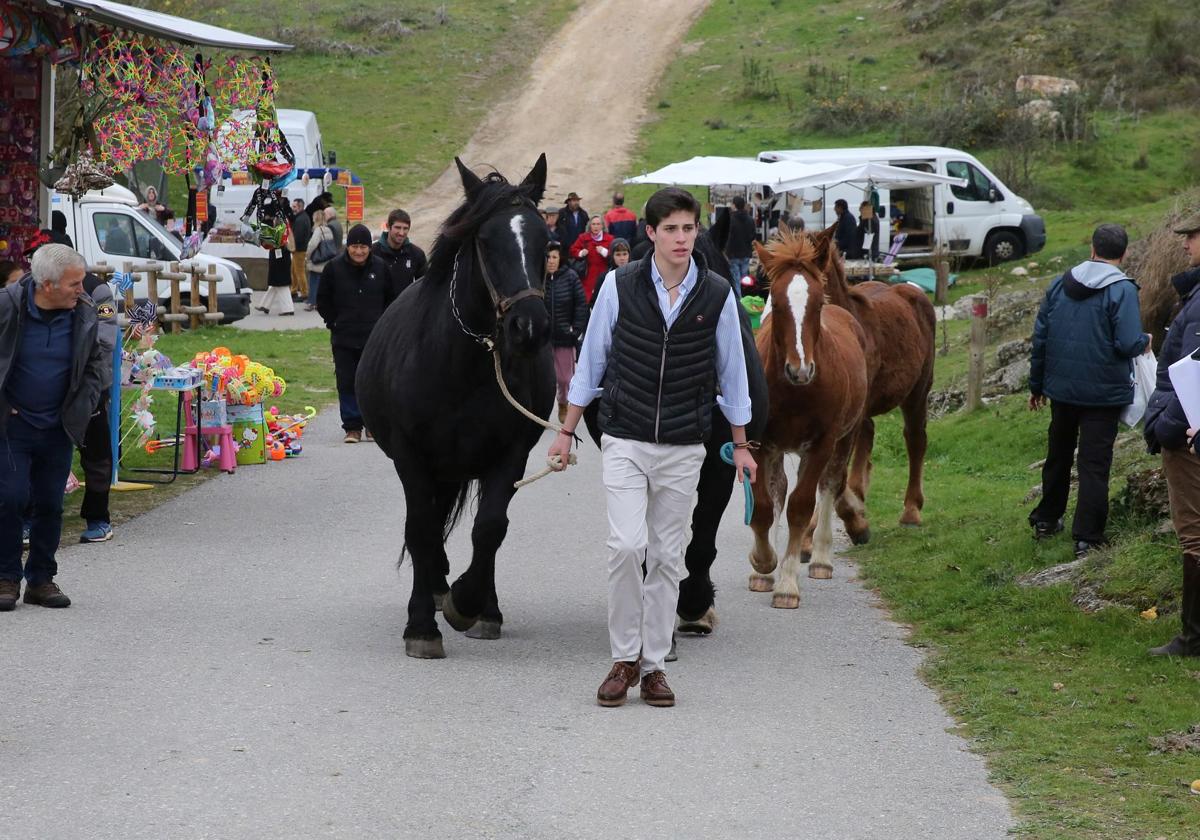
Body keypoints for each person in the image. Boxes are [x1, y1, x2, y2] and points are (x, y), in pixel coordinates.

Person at [548, 187, 756, 708]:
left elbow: (734, 374)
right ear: (651, 233)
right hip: (625, 435)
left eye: (689, 229)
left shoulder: (716, 292)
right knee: (625, 547)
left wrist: (742, 444)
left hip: (686, 443)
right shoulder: (619, 286)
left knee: (666, 557)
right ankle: (623, 658)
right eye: (671, 229)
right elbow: (591, 362)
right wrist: (566, 431)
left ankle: (655, 665)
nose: (681, 238)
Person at [1029, 224, 1149, 558]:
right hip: (1103, 395)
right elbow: (1127, 343)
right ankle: (1087, 538)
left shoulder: (1059, 283)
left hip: (1061, 390)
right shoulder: (1122, 289)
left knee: (1058, 456)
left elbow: (1041, 337)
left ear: (1092, 249)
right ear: (1123, 253)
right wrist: (1145, 341)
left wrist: (1036, 385)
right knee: (1094, 465)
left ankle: (1046, 520)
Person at [0, 244, 107, 611]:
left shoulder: (84, 313)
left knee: (49, 503)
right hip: (12, 425)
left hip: (58, 426)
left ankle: (41, 580)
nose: (82, 289)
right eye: (74, 284)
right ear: (46, 285)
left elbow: (97, 363)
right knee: (10, 499)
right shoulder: (6, 307)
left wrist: (81, 406)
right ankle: (6, 578)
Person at [1143, 212, 1200, 657]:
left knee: (1194, 530)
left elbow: (1194, 371)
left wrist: (1168, 425)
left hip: (1188, 432)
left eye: (1193, 237)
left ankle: (1193, 637)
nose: (1185, 245)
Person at [316, 224, 392, 444]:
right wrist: (334, 322)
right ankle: (352, 427)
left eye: (363, 247)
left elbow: (390, 299)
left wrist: (383, 327)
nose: (359, 252)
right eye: (355, 247)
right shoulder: (333, 268)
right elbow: (323, 300)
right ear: (348, 247)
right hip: (344, 336)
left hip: (373, 338)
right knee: (347, 381)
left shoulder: (380, 268)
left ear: (370, 248)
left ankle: (373, 426)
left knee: (374, 382)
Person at [78, 269, 118, 542]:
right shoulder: (32, 288)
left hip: (91, 385)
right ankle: (28, 519)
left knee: (96, 453)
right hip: (47, 386)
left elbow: (106, 339)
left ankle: (97, 517)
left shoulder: (97, 289)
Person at [543, 242, 588, 423]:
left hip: (564, 337)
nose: (551, 261)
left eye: (554, 257)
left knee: (563, 379)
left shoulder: (570, 277)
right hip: (542, 339)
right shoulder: (537, 277)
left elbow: (580, 305)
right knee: (543, 380)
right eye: (547, 257)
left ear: (560, 258)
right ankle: (542, 411)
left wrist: (575, 329)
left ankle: (563, 403)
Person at [371, 208, 427, 297]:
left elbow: (424, 288)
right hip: (379, 309)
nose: (401, 233)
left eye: (405, 228)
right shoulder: (372, 252)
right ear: (388, 227)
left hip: (405, 309)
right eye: (397, 228)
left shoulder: (417, 254)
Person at [569, 215, 615, 302]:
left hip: (603, 274)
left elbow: (615, 254)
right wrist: (581, 253)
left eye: (598, 224)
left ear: (602, 226)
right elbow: (572, 250)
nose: (596, 226)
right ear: (590, 226)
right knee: (587, 299)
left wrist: (605, 252)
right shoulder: (583, 238)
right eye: (593, 224)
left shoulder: (609, 239)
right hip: (587, 275)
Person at [305, 206, 339, 312]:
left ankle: (313, 302)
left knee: (314, 282)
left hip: (317, 261)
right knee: (322, 283)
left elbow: (312, 244)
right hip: (326, 259)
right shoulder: (328, 229)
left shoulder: (318, 230)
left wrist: (307, 255)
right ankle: (320, 302)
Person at [724, 195, 757, 285]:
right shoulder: (750, 219)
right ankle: (745, 296)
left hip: (733, 254)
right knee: (745, 278)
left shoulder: (730, 220)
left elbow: (728, 238)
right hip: (746, 253)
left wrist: (726, 253)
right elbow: (753, 236)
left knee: (736, 279)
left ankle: (738, 298)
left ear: (734, 205)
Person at [588, 237, 632, 305]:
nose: (622, 258)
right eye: (618, 255)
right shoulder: (604, 277)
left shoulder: (635, 275)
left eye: (625, 254)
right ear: (612, 256)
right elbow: (596, 302)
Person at [256, 249, 294, 316]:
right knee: (275, 285)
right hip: (279, 258)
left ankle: (288, 309)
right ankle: (265, 305)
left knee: (281, 285)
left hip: (280, 259)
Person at [289, 198, 313, 302]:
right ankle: (293, 291)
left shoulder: (300, 219)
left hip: (299, 250)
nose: (292, 209)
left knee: (299, 272)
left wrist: (291, 246)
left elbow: (297, 237)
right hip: (299, 249)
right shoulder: (303, 217)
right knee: (294, 271)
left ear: (300, 207)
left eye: (294, 207)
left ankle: (304, 293)